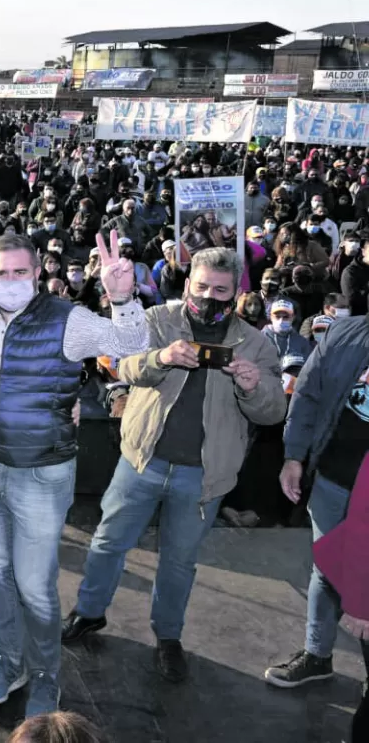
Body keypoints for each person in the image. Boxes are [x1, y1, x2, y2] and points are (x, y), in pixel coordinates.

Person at [62, 247, 286, 682]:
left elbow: (273, 411)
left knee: (179, 562)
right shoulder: (158, 320)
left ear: (237, 293)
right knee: (108, 543)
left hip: (204, 477)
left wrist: (253, 387)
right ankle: (89, 612)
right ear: (187, 285)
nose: (209, 296)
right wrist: (160, 359)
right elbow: (118, 364)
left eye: (221, 290)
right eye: (201, 286)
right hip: (142, 459)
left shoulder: (256, 343)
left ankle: (168, 636)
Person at [0, 231, 147, 718]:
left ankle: (46, 675)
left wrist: (122, 297)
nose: (8, 281)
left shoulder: (68, 320)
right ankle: (10, 663)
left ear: (37, 273)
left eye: (19, 272)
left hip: (41, 473)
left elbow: (131, 344)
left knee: (34, 584)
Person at [264, 311, 369, 689]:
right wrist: (294, 456)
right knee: (327, 571)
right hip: (334, 481)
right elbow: (307, 394)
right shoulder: (344, 333)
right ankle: (317, 654)